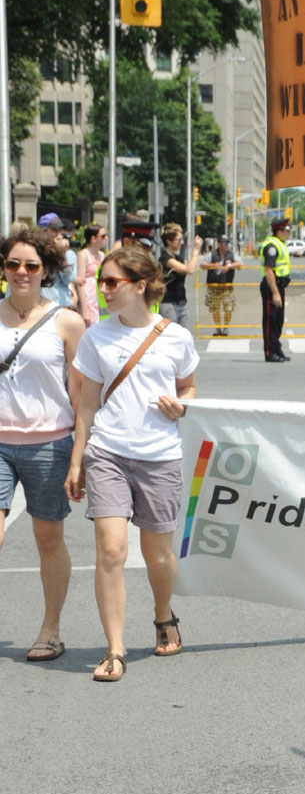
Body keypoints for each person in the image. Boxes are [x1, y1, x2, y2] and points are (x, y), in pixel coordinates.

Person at [65, 247, 199, 682]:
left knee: (156, 553)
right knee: (110, 550)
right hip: (108, 452)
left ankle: (163, 613)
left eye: (111, 282)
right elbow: (87, 403)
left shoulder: (175, 336)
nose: (101, 290)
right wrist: (77, 460)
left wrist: (182, 406)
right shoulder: (96, 336)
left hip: (159, 456)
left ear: (140, 286)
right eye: (100, 282)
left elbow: (190, 388)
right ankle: (115, 648)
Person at [0, 229, 84, 661]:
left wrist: (79, 455)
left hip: (49, 444)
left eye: (31, 266)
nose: (21, 272)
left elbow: (81, 396)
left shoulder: (67, 322)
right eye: (13, 264)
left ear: (45, 271)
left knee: (48, 538)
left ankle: (50, 630)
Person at [159, 222, 203, 332]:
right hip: (169, 304)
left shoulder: (178, 258)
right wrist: (196, 250)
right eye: (179, 240)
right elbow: (189, 270)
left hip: (182, 302)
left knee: (183, 337)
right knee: (171, 336)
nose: (182, 242)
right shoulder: (165, 259)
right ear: (169, 241)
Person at [259, 215, 292, 362]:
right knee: (270, 321)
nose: (289, 232)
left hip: (279, 286)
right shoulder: (272, 246)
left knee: (278, 320)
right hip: (272, 286)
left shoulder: (279, 243)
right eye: (287, 229)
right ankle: (269, 352)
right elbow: (268, 270)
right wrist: (275, 293)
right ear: (279, 231)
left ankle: (276, 349)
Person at [201, 235, 242, 337]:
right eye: (224, 243)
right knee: (215, 308)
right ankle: (218, 328)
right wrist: (214, 265)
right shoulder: (212, 255)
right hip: (214, 286)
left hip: (227, 287)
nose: (226, 245)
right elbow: (202, 265)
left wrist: (229, 266)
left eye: (227, 243)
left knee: (228, 308)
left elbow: (240, 263)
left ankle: (226, 328)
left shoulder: (231, 255)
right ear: (219, 244)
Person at [40, 219, 78, 311]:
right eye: (54, 230)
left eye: (60, 230)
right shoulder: (39, 251)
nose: (58, 234)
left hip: (62, 303)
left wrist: (61, 253)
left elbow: (69, 279)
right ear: (44, 231)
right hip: (43, 304)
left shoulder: (69, 254)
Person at [75, 224, 108, 327]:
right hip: (88, 298)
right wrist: (84, 310)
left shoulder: (102, 255)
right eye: (103, 236)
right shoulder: (83, 254)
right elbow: (80, 282)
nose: (106, 238)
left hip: (100, 296)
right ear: (93, 238)